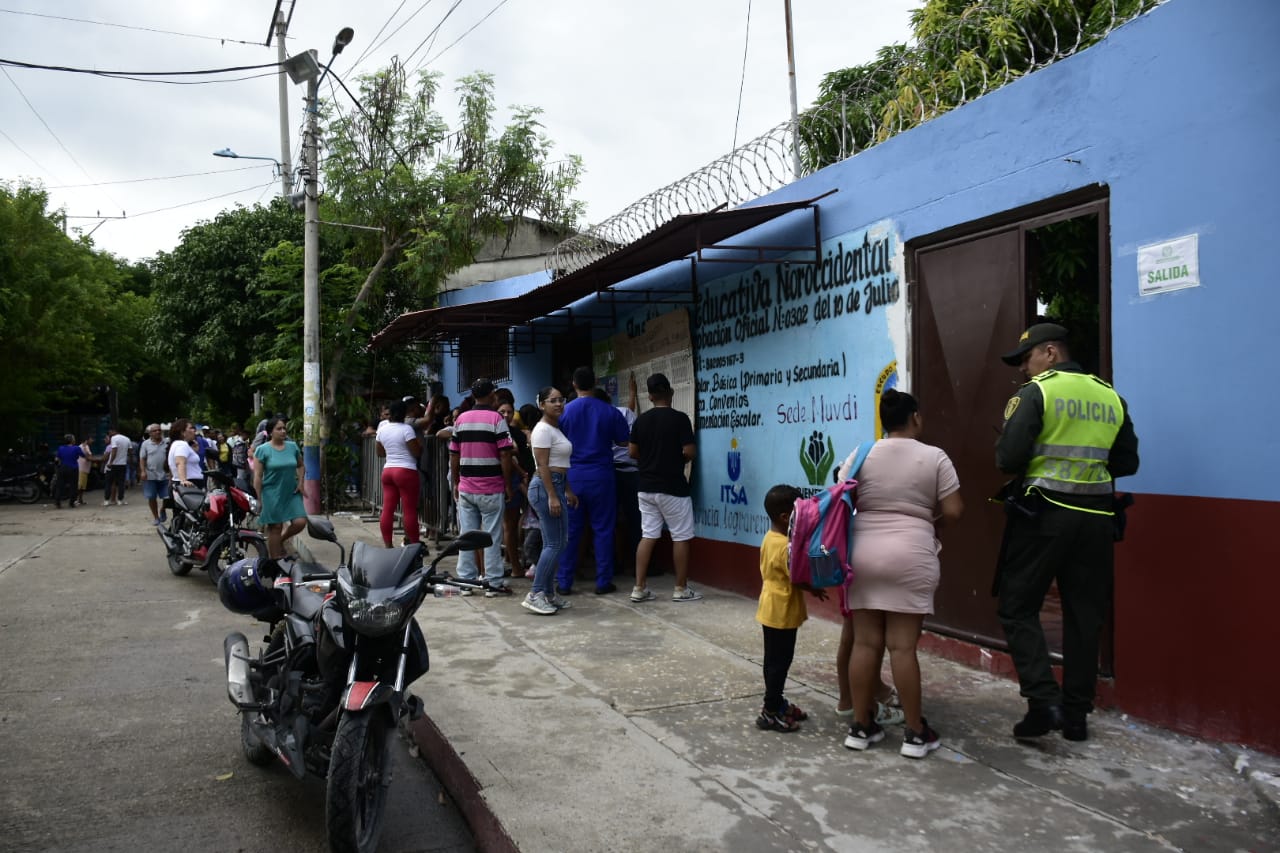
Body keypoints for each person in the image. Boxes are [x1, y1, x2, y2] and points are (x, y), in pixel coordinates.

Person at [995, 322, 1139, 743]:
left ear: (1051, 353)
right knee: (1083, 616)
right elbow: (1127, 463)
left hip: (1045, 515)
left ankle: (1043, 702)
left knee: (1017, 605)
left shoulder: (1040, 391)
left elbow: (1008, 457)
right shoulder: (1109, 394)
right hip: (1096, 517)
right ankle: (1076, 716)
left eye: (1027, 358)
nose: (1024, 368)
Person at [844, 389, 963, 758]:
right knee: (902, 646)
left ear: (883, 420)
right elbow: (955, 510)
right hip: (911, 552)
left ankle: (861, 727)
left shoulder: (861, 453)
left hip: (862, 553)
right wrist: (926, 519)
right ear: (915, 417)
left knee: (865, 643)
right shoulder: (934, 457)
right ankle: (914, 733)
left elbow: (841, 497)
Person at [755, 484, 828, 732]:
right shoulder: (783, 546)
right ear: (785, 517)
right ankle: (770, 711)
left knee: (775, 661)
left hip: (773, 609)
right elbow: (796, 576)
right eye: (800, 516)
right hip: (780, 612)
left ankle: (777, 701)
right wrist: (814, 588)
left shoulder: (772, 538)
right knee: (778, 663)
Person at [556, 366, 630, 595]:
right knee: (604, 529)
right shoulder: (610, 411)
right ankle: (603, 581)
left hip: (573, 476)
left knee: (571, 531)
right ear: (596, 382)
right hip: (602, 476)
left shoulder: (564, 413)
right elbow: (623, 442)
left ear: (574, 385)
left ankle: (564, 582)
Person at [628, 373, 700, 603]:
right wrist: (678, 460)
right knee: (680, 536)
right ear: (671, 392)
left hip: (646, 487)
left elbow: (632, 452)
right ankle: (680, 588)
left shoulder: (641, 420)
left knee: (648, 535)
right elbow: (689, 451)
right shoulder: (679, 419)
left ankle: (639, 587)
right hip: (673, 487)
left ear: (649, 396)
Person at [449, 378, 515, 597]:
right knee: (492, 536)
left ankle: (466, 582)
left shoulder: (461, 419)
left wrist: (456, 481)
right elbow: (505, 453)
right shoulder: (496, 419)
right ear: (492, 395)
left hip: (467, 487)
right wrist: (506, 484)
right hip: (491, 486)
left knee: (466, 535)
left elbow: (454, 454)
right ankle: (493, 582)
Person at [522, 386, 578, 615]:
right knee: (554, 544)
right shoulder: (543, 430)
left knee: (557, 543)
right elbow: (543, 466)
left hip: (556, 483)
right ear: (541, 405)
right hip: (546, 488)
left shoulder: (554, 428)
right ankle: (535, 594)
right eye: (552, 401)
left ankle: (547, 594)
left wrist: (567, 490)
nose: (558, 404)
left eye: (560, 400)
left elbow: (559, 464)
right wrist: (553, 496)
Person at [253, 417, 307, 561]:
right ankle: (275, 561)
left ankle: (281, 540)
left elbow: (301, 465)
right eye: (279, 429)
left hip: (291, 492)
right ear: (270, 432)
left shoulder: (292, 446)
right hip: (271, 493)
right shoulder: (262, 450)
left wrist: (301, 483)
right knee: (275, 527)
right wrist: (258, 498)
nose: (283, 431)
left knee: (300, 522)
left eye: (284, 428)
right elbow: (258, 476)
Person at [376, 400, 422, 548]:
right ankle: (414, 547)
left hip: (388, 470)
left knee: (387, 509)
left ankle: (388, 546)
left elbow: (380, 452)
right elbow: (416, 452)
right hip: (406, 471)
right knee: (409, 510)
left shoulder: (382, 429)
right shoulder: (406, 429)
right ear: (404, 413)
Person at [498, 399, 531, 578]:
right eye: (502, 411)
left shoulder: (516, 432)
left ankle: (511, 560)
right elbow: (509, 454)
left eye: (509, 412)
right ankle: (513, 564)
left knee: (513, 523)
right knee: (507, 525)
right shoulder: (498, 432)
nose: (506, 415)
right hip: (506, 481)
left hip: (515, 480)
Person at [138, 424, 170, 526]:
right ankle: (156, 517)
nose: (157, 432)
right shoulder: (145, 444)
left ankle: (163, 509)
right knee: (151, 497)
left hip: (166, 474)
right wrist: (142, 471)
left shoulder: (167, 442)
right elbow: (142, 459)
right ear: (150, 433)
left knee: (168, 496)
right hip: (150, 474)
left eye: (159, 430)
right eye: (154, 431)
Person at [167, 419, 204, 490]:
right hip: (190, 484)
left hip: (187, 482)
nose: (194, 430)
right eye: (191, 428)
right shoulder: (181, 444)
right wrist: (183, 480)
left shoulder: (178, 444)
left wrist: (194, 451)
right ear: (182, 432)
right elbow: (180, 462)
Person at [53, 434, 85, 509]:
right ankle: (71, 503)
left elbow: (56, 459)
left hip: (63, 469)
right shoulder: (76, 448)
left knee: (60, 486)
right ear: (72, 440)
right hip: (73, 469)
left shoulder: (60, 448)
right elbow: (83, 455)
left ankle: (57, 502)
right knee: (73, 486)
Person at [102, 426, 130, 506]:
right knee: (121, 483)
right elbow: (130, 451)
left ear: (114, 431)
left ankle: (107, 500)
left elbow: (114, 451)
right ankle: (120, 500)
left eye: (110, 432)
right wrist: (128, 460)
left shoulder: (114, 439)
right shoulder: (127, 439)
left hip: (113, 465)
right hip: (122, 464)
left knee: (108, 483)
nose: (109, 434)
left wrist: (110, 462)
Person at [76, 436, 94, 507]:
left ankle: (80, 500)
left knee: (83, 486)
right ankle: (76, 500)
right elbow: (88, 456)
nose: (92, 440)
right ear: (87, 440)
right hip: (81, 468)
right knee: (80, 485)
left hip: (85, 468)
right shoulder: (83, 447)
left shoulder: (86, 446)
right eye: (91, 439)